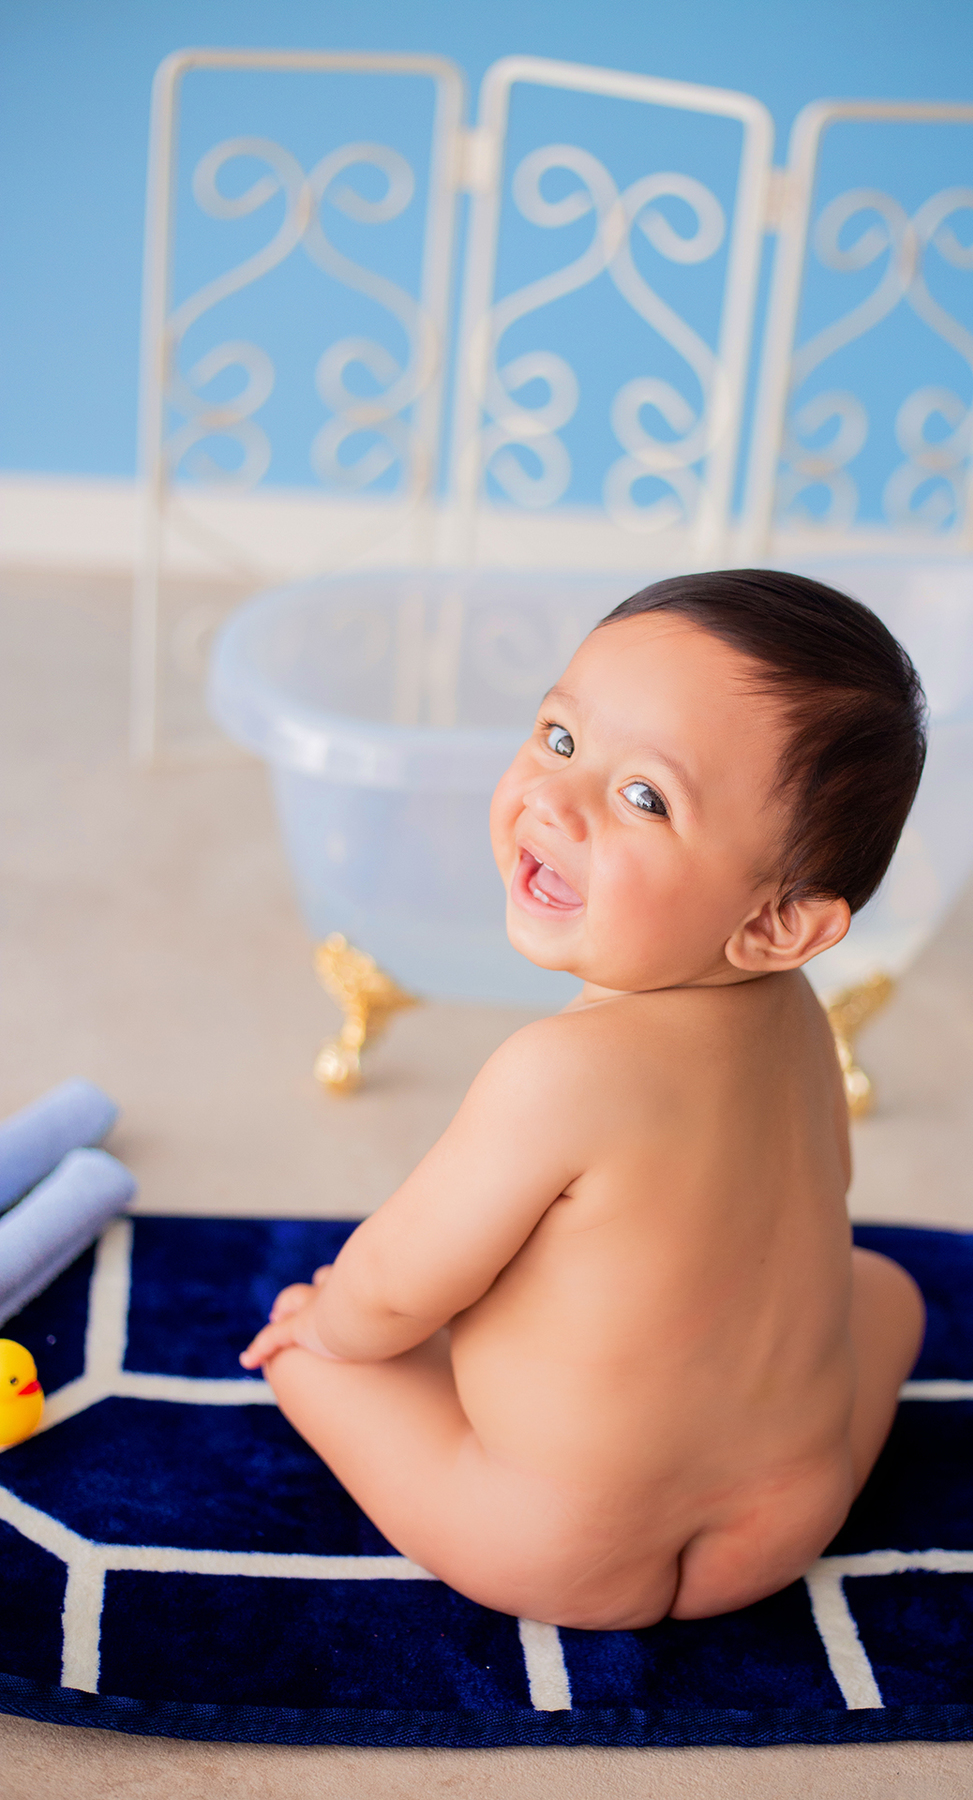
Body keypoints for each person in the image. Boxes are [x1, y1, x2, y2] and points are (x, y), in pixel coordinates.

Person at [241, 569, 928, 1628]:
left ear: (781, 920)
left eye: (644, 797)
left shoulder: (556, 1073)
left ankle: (310, 1361)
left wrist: (330, 1326)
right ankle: (759, 1478)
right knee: (883, 1286)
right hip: (789, 1518)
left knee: (309, 1352)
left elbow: (394, 1285)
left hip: (549, 1545)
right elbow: (823, 1181)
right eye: (560, 739)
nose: (553, 801)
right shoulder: (798, 1014)